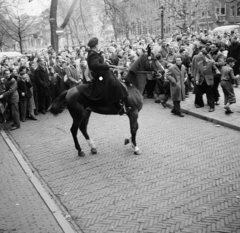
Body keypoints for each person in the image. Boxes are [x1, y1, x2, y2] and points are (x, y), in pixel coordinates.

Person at [87, 37, 128, 115]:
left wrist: (106, 64)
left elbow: (98, 64)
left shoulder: (94, 53)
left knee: (117, 82)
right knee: (116, 85)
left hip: (103, 73)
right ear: (96, 45)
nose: (99, 45)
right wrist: (106, 66)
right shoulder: (93, 54)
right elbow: (95, 65)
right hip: (100, 75)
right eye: (98, 44)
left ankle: (119, 104)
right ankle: (118, 105)